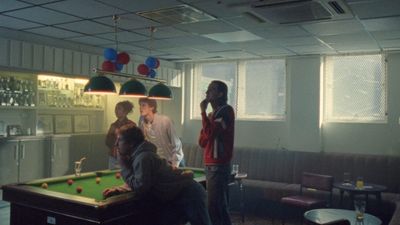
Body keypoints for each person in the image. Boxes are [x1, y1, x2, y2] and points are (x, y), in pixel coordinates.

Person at [103, 124, 212, 225]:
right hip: (176, 197)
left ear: (131, 144)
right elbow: (143, 180)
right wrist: (121, 189)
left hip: (190, 195)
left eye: (119, 140)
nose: (116, 144)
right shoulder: (139, 156)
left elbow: (141, 187)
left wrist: (124, 167)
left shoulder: (143, 158)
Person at [199, 80, 235, 225]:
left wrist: (203, 113)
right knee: (217, 206)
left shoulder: (226, 110)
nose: (207, 92)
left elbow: (211, 133)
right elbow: (202, 141)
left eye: (211, 89)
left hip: (218, 165)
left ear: (220, 94)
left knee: (215, 207)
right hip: (210, 163)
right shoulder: (212, 114)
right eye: (207, 89)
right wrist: (207, 118)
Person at [138, 97, 184, 168]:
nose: (140, 108)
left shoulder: (165, 121)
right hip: (160, 164)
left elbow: (177, 144)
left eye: (143, 105)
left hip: (175, 161)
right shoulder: (142, 122)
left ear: (152, 107)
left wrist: (174, 163)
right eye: (140, 105)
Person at [105, 100, 136, 169]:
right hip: (113, 157)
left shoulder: (131, 125)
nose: (116, 111)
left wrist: (119, 132)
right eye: (115, 108)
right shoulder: (113, 125)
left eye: (119, 108)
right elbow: (107, 142)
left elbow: (132, 143)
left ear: (125, 112)